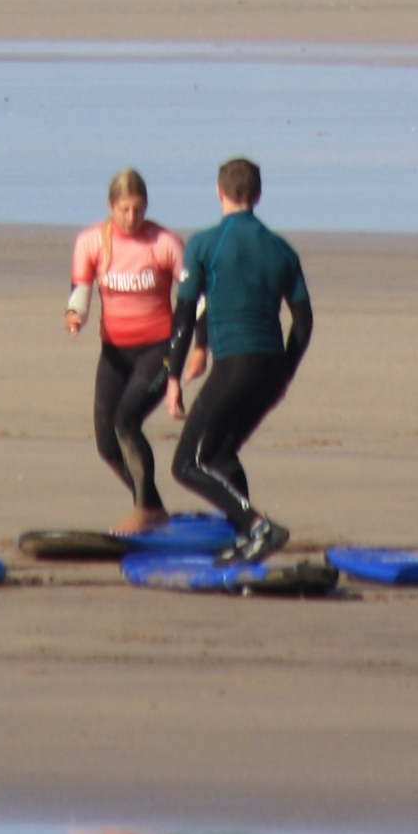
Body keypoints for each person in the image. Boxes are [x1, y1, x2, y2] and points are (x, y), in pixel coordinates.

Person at [167, 157, 312, 567]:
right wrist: (285, 371)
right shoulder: (282, 250)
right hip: (271, 370)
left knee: (187, 464)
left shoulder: (204, 244)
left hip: (235, 366)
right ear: (259, 195)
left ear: (219, 192)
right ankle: (247, 537)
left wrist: (173, 377)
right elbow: (304, 322)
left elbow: (183, 315)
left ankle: (258, 526)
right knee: (220, 453)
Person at [65, 167, 185, 529]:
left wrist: (196, 345)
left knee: (126, 421)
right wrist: (75, 313)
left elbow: (194, 298)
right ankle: (152, 506)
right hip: (115, 352)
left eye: (138, 209)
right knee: (107, 442)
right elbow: (81, 289)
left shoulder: (164, 243)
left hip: (159, 349)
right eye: (124, 210)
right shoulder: (92, 241)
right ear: (110, 205)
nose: (131, 218)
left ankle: (144, 509)